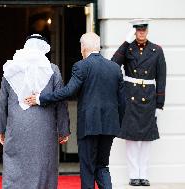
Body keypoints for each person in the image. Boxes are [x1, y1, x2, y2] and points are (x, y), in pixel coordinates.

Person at [25, 32, 125, 189]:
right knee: (102, 166)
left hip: (89, 126)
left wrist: (40, 98)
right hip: (109, 126)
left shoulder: (81, 66)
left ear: (82, 47)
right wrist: (117, 123)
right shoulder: (114, 68)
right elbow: (122, 101)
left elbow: (68, 92)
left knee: (87, 168)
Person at [0, 34, 70, 189]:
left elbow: (2, 101)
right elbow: (60, 101)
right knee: (43, 167)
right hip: (44, 129)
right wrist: (64, 130)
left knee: (15, 167)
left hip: (16, 128)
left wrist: (1, 128)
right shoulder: (52, 70)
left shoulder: (11, 69)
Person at [111, 19, 167, 186]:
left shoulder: (156, 50)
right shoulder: (128, 48)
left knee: (146, 139)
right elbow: (113, 64)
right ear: (134, 31)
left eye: (143, 30)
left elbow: (161, 78)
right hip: (130, 97)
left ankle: (144, 174)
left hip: (148, 97)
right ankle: (134, 174)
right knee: (131, 138)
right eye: (138, 30)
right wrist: (125, 42)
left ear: (147, 31)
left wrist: (159, 103)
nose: (141, 33)